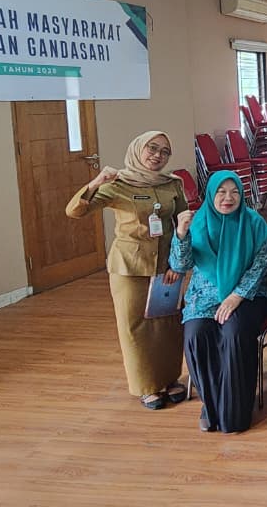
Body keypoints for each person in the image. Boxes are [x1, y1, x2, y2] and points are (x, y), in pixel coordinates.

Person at [65, 131, 188, 410]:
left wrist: (179, 262)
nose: (157, 155)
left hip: (166, 264)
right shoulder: (117, 184)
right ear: (137, 149)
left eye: (164, 151)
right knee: (136, 326)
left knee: (168, 323)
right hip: (129, 266)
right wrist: (97, 182)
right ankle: (147, 386)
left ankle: (169, 378)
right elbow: (74, 211)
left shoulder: (172, 183)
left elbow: (182, 219)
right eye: (152, 148)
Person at [169, 171, 267, 433]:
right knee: (196, 334)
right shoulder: (198, 223)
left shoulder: (253, 223)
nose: (228, 198)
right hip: (204, 295)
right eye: (221, 192)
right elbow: (181, 265)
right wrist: (181, 234)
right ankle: (211, 403)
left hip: (249, 293)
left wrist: (236, 296)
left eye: (234, 192)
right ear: (210, 195)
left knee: (234, 333)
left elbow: (261, 265)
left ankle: (236, 408)